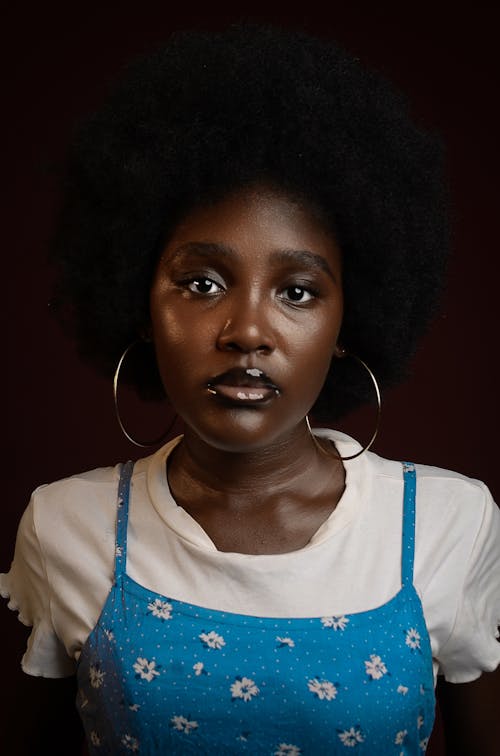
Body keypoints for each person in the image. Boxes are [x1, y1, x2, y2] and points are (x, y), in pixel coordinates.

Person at [1, 24, 499, 755]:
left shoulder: (448, 522)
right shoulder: (63, 525)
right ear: (139, 302)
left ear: (348, 321)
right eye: (202, 283)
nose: (246, 330)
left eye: (297, 291)